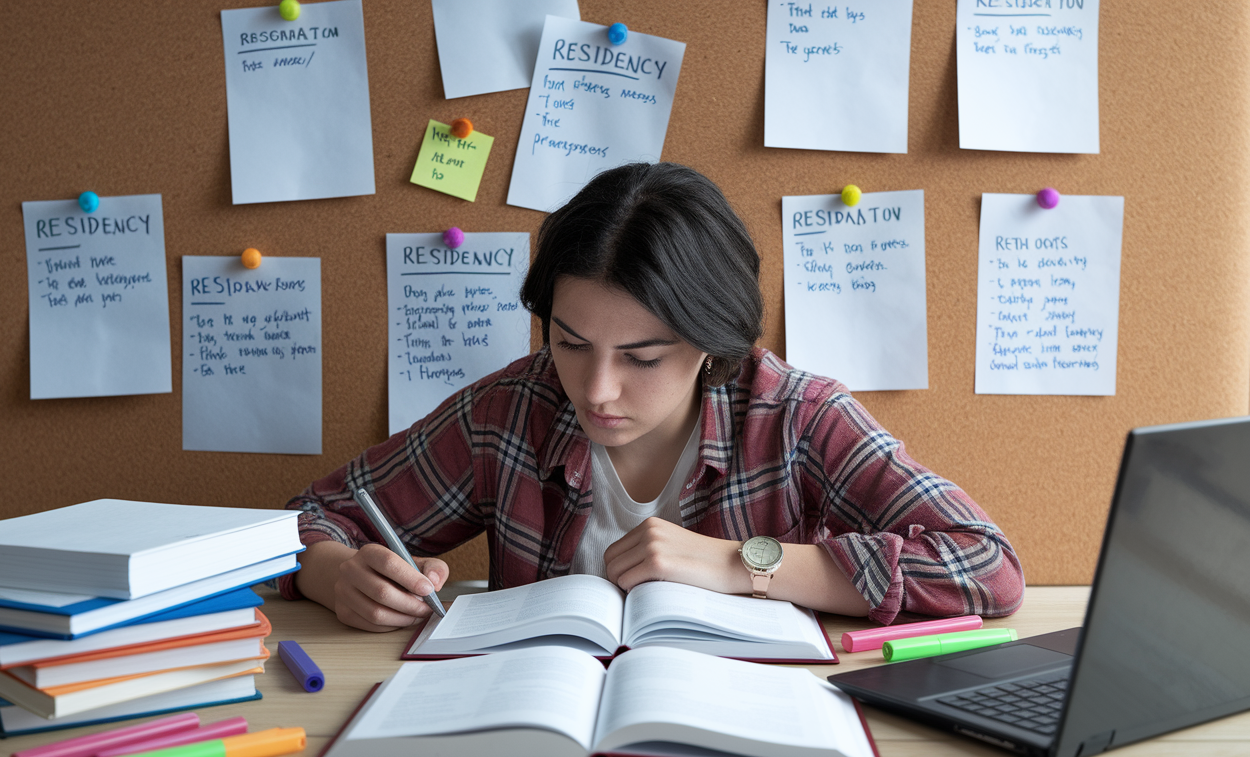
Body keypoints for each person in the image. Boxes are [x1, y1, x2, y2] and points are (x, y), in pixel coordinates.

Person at [281, 162, 1024, 632]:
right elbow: (301, 522)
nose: (596, 390)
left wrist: (742, 564)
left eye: (641, 357)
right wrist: (335, 575)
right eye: (570, 343)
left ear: (712, 343)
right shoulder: (510, 411)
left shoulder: (796, 415)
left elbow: (987, 565)